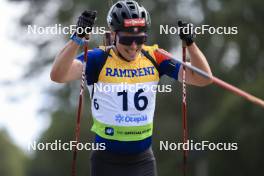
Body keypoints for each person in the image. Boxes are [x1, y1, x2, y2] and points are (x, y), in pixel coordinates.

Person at [50, 1, 212, 176]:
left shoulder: (156, 57)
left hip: (142, 161)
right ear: (114, 34)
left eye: (140, 39)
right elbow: (58, 75)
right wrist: (78, 37)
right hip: (106, 161)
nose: (134, 46)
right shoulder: (98, 58)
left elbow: (203, 78)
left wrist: (191, 44)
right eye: (127, 39)